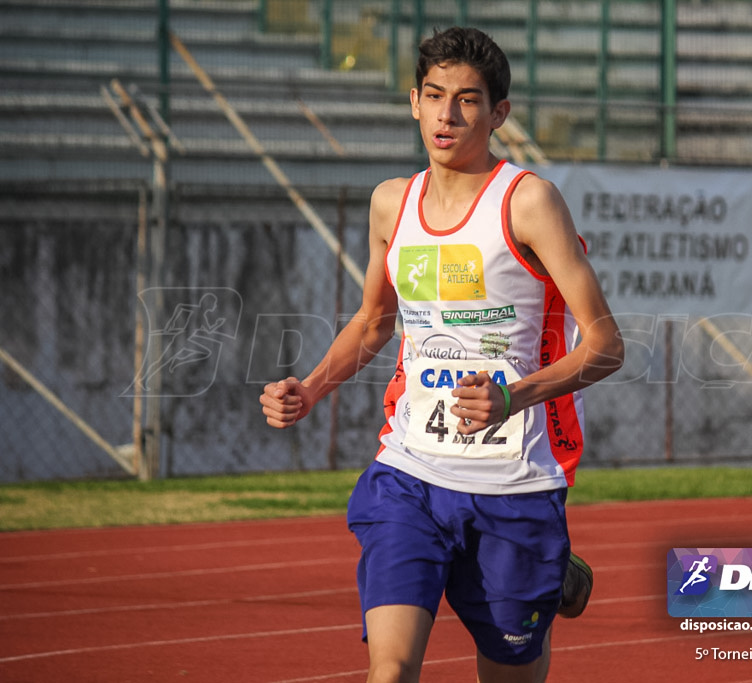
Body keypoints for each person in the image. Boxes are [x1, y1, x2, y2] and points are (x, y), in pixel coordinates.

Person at [260, 26, 624, 683]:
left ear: (498, 113)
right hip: (409, 474)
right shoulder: (390, 203)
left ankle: (550, 570)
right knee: (391, 668)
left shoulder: (527, 202)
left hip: (511, 486)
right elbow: (373, 323)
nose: (447, 116)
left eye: (467, 100)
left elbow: (605, 345)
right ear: (413, 102)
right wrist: (310, 388)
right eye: (434, 96)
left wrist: (513, 396)